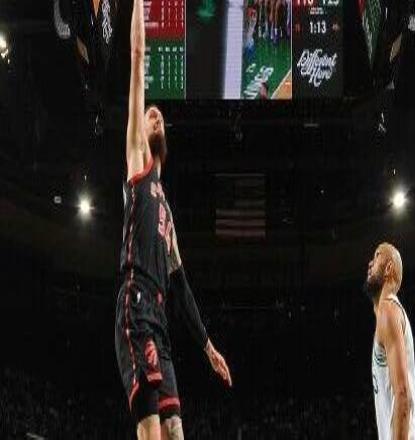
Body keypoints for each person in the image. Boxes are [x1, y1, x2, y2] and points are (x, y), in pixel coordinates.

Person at [115, 0, 232, 438]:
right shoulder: (137, 163)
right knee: (151, 431)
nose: (154, 115)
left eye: (158, 115)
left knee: (176, 430)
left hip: (161, 322)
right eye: (149, 115)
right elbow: (137, 58)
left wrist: (208, 346)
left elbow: (181, 286)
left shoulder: (165, 208)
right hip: (136, 303)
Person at [364, 243, 415, 440]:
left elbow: (402, 392)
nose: (370, 263)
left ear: (389, 268)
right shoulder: (391, 312)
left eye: (377, 256)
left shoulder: (388, 309)